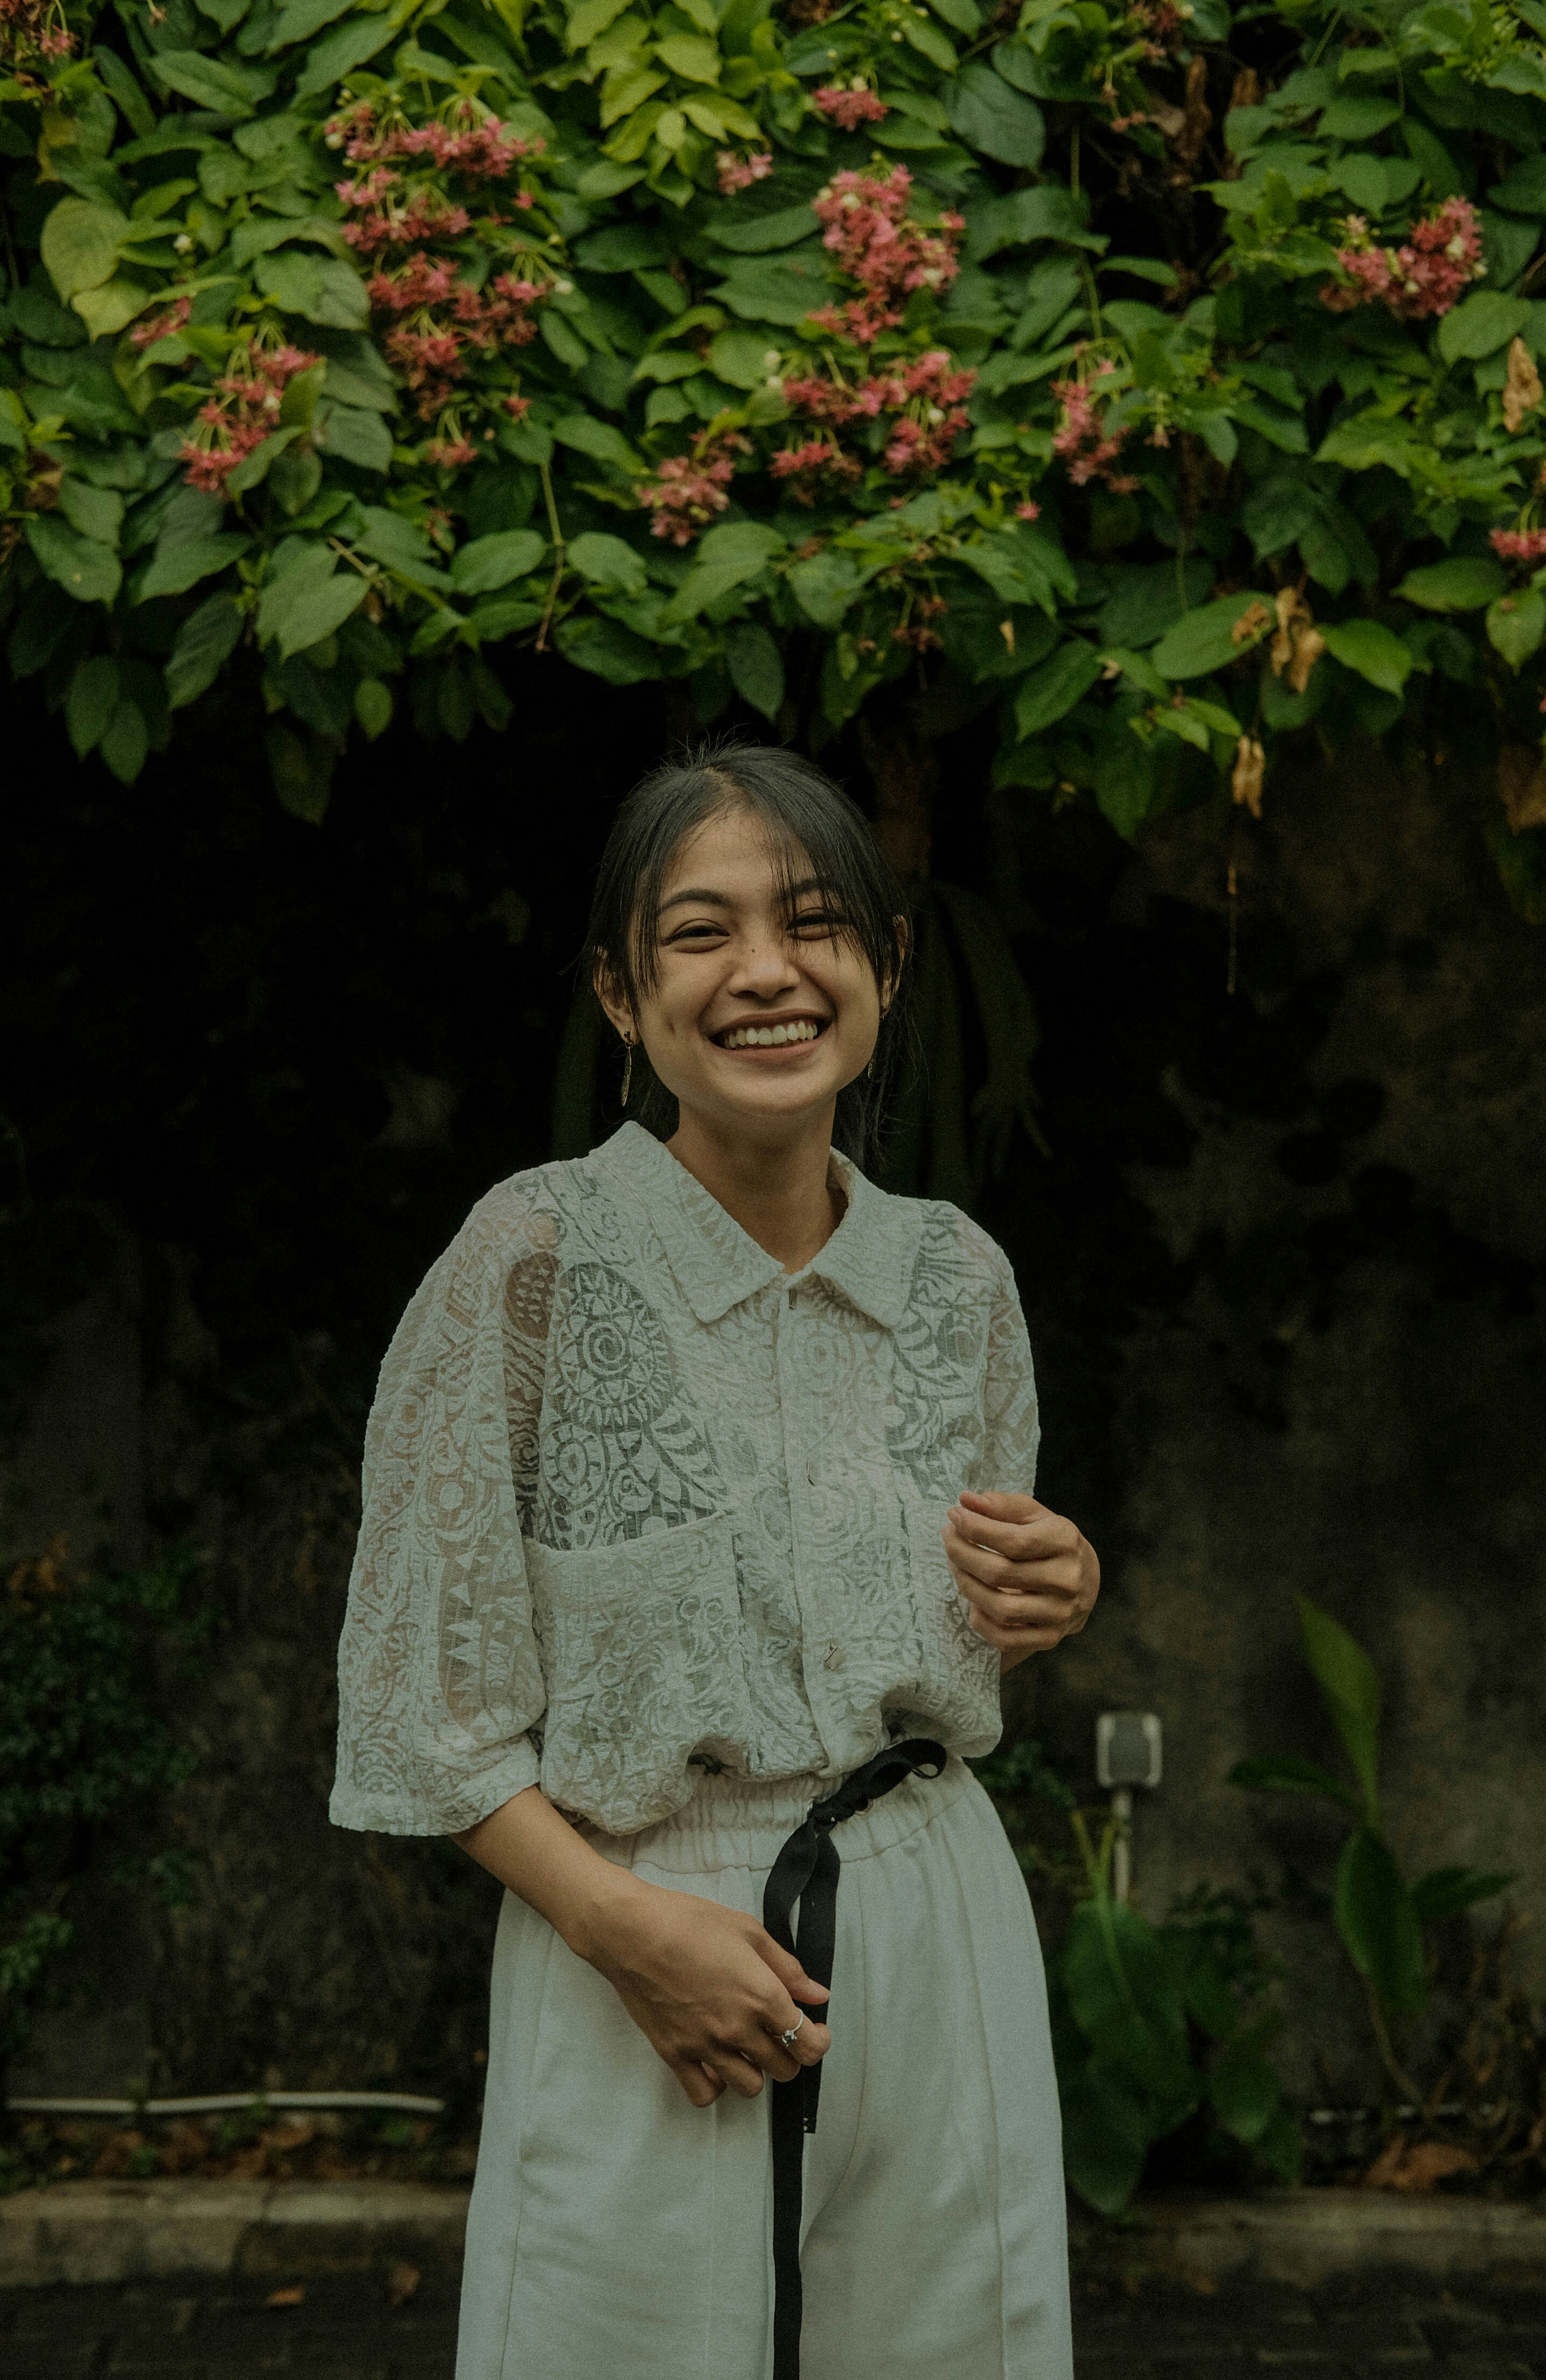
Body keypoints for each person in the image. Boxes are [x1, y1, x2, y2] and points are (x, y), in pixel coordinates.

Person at [330, 743, 1100, 2380]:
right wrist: (624, 1930)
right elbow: (423, 1704)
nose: (768, 971)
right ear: (621, 994)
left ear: (888, 965)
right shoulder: (532, 1260)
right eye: (702, 932)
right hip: (644, 1930)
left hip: (936, 1915)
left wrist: (1052, 1594)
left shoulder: (958, 1278)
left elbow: (959, 1625)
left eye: (816, 923)